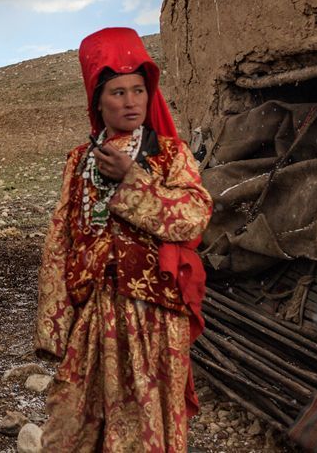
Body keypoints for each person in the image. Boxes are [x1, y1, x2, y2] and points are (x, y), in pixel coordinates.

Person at [33, 27, 212, 452]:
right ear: (98, 100)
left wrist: (133, 181)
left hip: (152, 316)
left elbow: (193, 216)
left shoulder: (170, 154)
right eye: (117, 92)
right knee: (70, 422)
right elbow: (62, 236)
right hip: (93, 313)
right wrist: (53, 323)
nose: (130, 101)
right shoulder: (80, 160)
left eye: (138, 90)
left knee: (140, 425)